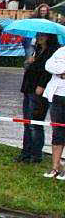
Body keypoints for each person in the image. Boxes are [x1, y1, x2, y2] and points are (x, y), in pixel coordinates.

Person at [18, 33, 59, 164]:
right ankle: (26, 152)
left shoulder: (52, 51)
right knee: (27, 122)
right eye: (38, 35)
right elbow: (29, 67)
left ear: (49, 37)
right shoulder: (37, 50)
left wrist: (41, 86)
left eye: (43, 35)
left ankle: (36, 155)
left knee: (35, 123)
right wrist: (28, 62)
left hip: (39, 90)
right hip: (28, 87)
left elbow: (48, 71)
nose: (40, 37)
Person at [42, 45, 65, 179]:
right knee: (57, 132)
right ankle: (55, 167)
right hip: (56, 95)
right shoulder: (61, 51)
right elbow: (48, 65)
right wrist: (61, 70)